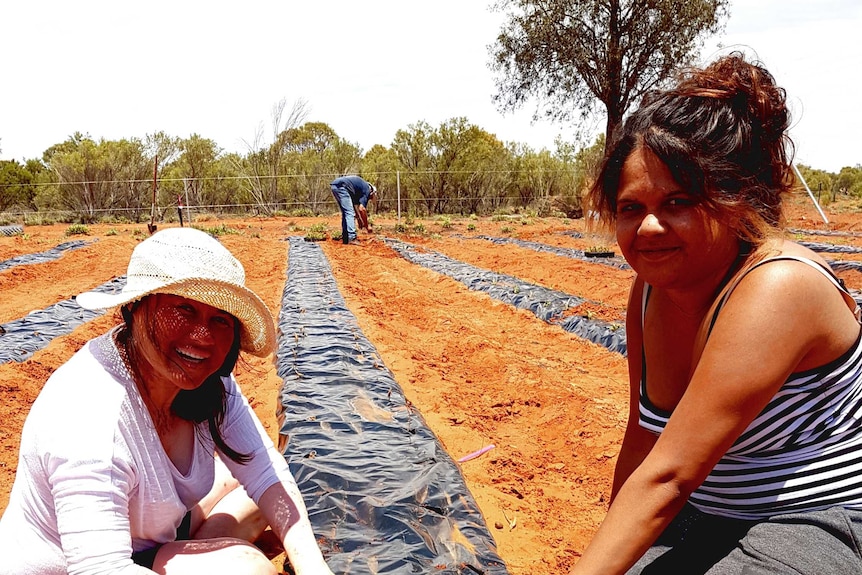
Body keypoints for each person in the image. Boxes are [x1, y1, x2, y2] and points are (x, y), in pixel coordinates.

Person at [572, 52, 862, 574]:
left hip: (820, 521)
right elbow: (644, 440)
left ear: (732, 200)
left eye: (678, 202)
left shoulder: (779, 284)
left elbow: (670, 476)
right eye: (631, 208)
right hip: (708, 512)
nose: (649, 228)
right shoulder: (647, 295)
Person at [0, 227, 334, 575]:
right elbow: (100, 569)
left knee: (262, 491)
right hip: (77, 566)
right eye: (183, 309)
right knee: (248, 568)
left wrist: (315, 569)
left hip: (146, 539)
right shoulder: (90, 412)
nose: (203, 337)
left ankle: (199, 553)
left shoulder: (207, 382)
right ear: (135, 307)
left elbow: (265, 472)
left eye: (219, 318)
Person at [329, 175, 377, 244]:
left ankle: (345, 238)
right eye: (371, 198)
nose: (369, 199)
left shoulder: (359, 189)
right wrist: (367, 226)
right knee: (349, 213)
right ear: (372, 193)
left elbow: (354, 207)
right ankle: (352, 237)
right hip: (342, 186)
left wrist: (359, 219)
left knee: (346, 212)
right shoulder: (367, 190)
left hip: (335, 186)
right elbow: (362, 209)